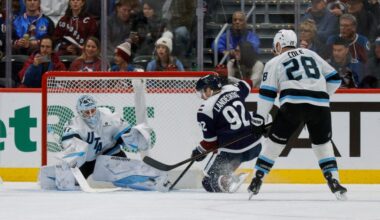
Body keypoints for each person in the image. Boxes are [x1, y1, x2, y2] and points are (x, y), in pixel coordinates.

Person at [248, 29, 347, 200]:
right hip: (320, 106)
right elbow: (335, 79)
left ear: (278, 45)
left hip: (292, 106)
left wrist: (259, 120)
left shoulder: (274, 61)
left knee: (274, 144)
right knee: (322, 143)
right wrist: (319, 95)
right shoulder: (311, 54)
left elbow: (267, 94)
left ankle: (257, 179)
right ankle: (334, 180)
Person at [39, 94, 170, 191]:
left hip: (110, 154)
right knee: (69, 184)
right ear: (79, 112)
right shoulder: (74, 124)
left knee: (123, 177)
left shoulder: (109, 116)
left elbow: (125, 135)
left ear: (96, 107)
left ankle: (156, 180)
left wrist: (133, 136)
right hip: (88, 160)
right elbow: (70, 145)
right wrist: (71, 152)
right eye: (86, 112)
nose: (90, 114)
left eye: (92, 110)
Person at [191, 74, 262, 193]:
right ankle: (227, 175)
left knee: (208, 182)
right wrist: (229, 78)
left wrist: (199, 151)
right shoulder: (233, 89)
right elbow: (248, 82)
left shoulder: (205, 109)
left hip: (234, 151)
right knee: (222, 166)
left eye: (202, 92)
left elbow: (211, 143)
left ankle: (230, 179)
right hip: (255, 146)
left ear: (209, 89)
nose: (202, 96)